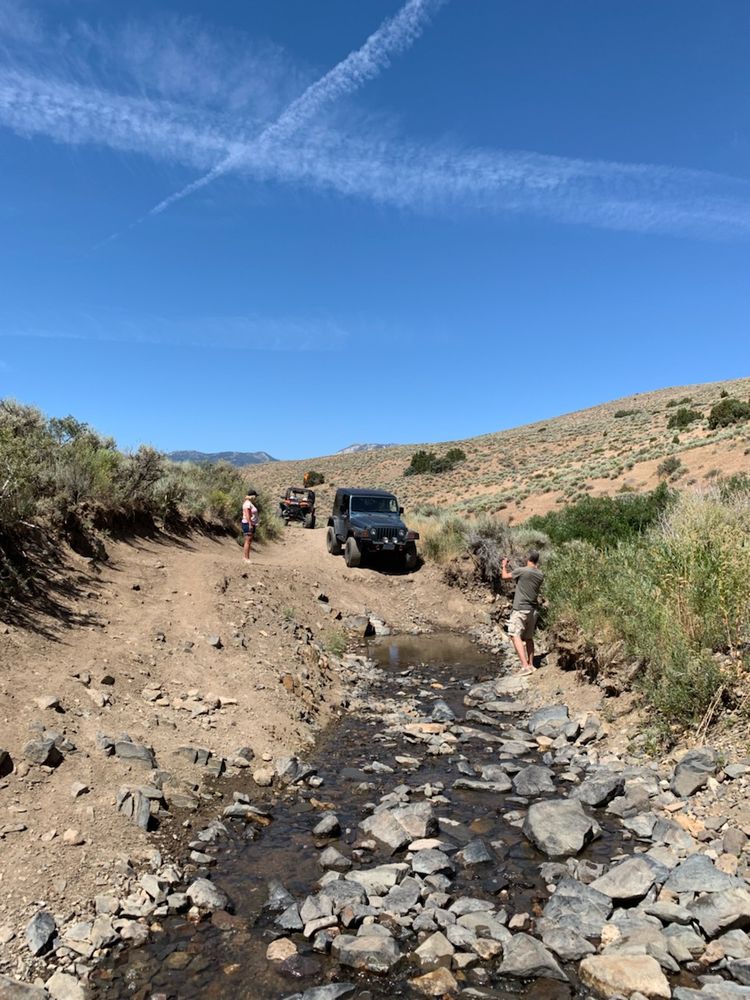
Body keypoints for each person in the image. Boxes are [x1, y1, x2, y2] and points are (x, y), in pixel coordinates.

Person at [501, 550, 544, 672]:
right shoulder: (540, 574)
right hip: (532, 610)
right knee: (529, 638)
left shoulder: (522, 571)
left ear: (528, 558)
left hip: (520, 609)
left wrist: (504, 566)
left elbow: (505, 577)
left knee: (514, 635)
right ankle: (531, 665)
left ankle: (525, 666)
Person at [241, 492, 259, 562]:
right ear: (252, 496)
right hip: (248, 523)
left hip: (251, 523)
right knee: (248, 541)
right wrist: (250, 524)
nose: (256, 498)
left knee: (249, 540)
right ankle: (246, 558)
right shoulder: (247, 504)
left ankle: (246, 557)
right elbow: (247, 514)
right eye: (255, 496)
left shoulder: (249, 503)